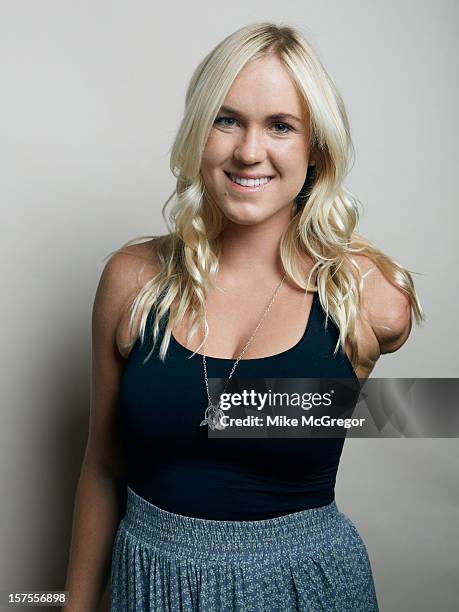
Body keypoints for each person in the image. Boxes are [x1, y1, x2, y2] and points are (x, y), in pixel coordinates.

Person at [64, 22, 424, 612]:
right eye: (226, 119)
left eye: (280, 126)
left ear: (317, 149)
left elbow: (409, 411)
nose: (249, 151)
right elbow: (103, 466)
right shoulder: (132, 279)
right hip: (154, 586)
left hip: (306, 590)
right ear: (197, 133)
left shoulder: (368, 297)